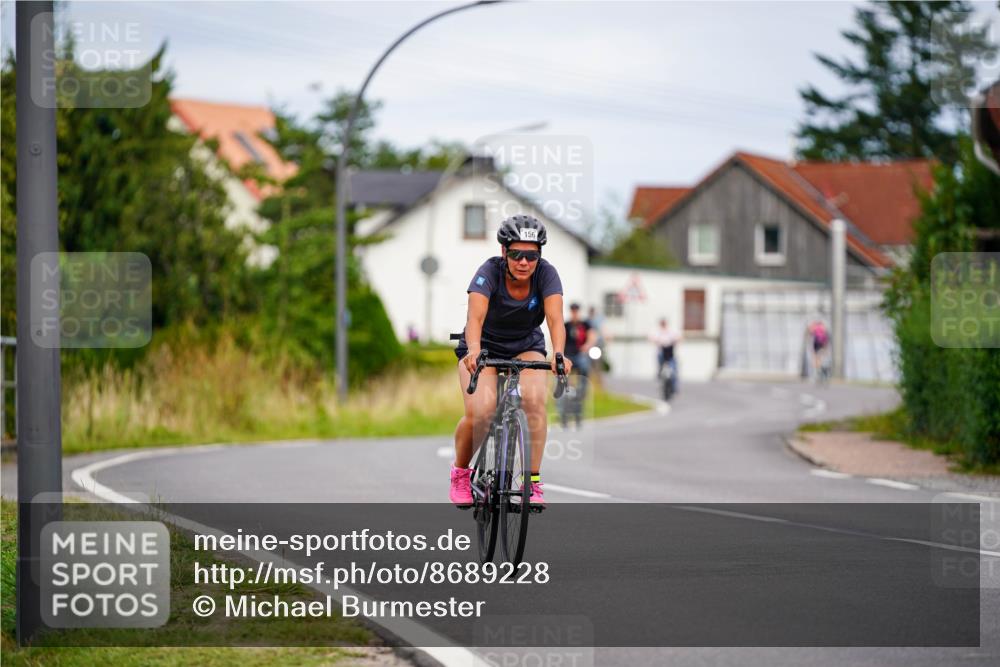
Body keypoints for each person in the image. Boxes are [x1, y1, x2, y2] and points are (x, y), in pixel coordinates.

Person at [450, 215, 571, 509]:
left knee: (533, 403)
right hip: (484, 346)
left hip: (525, 346)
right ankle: (461, 473)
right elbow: (475, 317)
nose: (524, 262)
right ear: (504, 252)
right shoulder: (488, 272)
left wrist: (559, 354)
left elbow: (555, 319)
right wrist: (475, 349)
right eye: (517, 254)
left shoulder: (547, 274)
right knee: (481, 412)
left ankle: (533, 481)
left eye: (532, 256)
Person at [560, 303, 597, 428]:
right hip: (568, 356)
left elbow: (592, 336)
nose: (574, 313)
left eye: (576, 310)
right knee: (562, 387)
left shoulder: (585, 324)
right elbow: (558, 338)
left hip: (580, 354)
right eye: (573, 311)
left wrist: (587, 346)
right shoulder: (566, 325)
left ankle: (583, 385)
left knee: (584, 369)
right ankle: (563, 415)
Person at [649, 318, 680, 395]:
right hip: (661, 353)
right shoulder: (657, 332)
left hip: (670, 353)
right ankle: (661, 379)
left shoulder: (671, 331)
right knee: (660, 367)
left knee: (674, 369)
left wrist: (675, 341)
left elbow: (679, 337)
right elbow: (651, 338)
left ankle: (674, 387)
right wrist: (657, 341)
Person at [808, 319, 830, 383]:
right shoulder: (823, 327)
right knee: (822, 356)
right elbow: (827, 336)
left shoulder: (815, 327)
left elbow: (810, 332)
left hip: (816, 343)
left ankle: (818, 371)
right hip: (823, 343)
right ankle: (822, 368)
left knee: (816, 358)